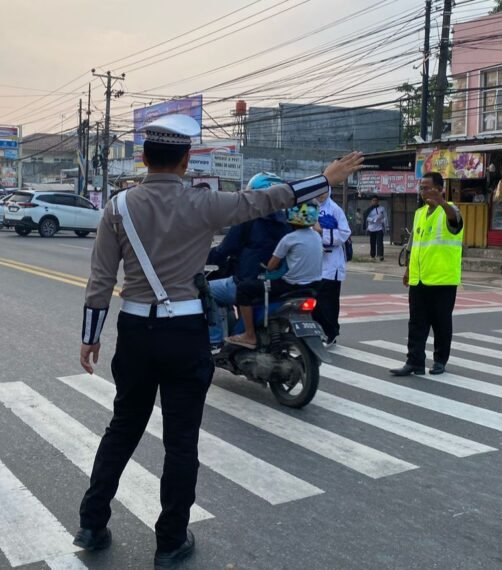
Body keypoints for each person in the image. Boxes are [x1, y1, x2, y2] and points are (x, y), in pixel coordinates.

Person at [75, 113, 363, 568]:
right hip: (185, 332)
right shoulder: (206, 205)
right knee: (181, 440)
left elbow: (100, 279)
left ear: (145, 157)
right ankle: (170, 542)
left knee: (123, 427)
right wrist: (324, 179)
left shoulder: (118, 207)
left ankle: (92, 523)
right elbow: (265, 200)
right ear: (186, 160)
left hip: (134, 332)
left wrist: (90, 337)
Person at [390, 172, 464, 377]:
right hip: (419, 278)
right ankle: (414, 362)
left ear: (440, 189)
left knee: (441, 323)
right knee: (416, 323)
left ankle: (440, 360)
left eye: (427, 187)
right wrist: (408, 270)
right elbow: (414, 244)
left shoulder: (449, 209)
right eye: (421, 187)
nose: (423, 191)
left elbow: (455, 220)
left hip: (442, 279)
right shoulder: (420, 213)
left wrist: (442, 202)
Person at [206, 173, 291, 345]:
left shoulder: (247, 219)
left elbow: (225, 249)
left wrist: (205, 257)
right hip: (278, 284)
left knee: (205, 290)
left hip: (248, 281)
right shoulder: (287, 222)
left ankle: (215, 340)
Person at [226, 201, 323, 349]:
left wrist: (266, 267)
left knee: (244, 289)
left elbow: (271, 266)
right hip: (314, 286)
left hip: (290, 286)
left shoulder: (289, 238)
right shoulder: (316, 237)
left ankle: (249, 335)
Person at [314, 185, 351, 347]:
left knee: (328, 301)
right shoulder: (309, 207)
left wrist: (322, 232)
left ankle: (331, 333)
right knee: (312, 300)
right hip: (314, 261)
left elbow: (344, 233)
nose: (321, 195)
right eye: (318, 191)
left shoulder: (335, 209)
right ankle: (317, 331)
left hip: (331, 263)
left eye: (324, 191)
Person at [365, 196, 388, 261]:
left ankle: (380, 255)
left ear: (378, 201)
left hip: (379, 228)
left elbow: (385, 217)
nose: (375, 202)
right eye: (373, 200)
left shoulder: (382, 209)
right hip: (371, 228)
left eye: (376, 200)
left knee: (380, 242)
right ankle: (372, 255)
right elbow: (366, 218)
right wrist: (373, 220)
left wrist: (383, 222)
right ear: (371, 201)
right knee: (372, 242)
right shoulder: (369, 209)